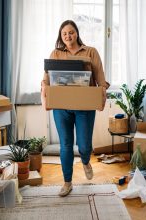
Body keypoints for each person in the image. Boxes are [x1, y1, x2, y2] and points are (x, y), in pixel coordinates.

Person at [41, 20, 109, 197]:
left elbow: (100, 79)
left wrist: (101, 96)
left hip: (84, 106)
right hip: (61, 107)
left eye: (71, 32)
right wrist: (44, 93)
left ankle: (86, 161)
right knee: (65, 145)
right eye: (64, 34)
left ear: (76, 33)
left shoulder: (90, 52)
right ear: (61, 36)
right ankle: (67, 182)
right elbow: (46, 79)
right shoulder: (55, 54)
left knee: (84, 145)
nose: (68, 36)